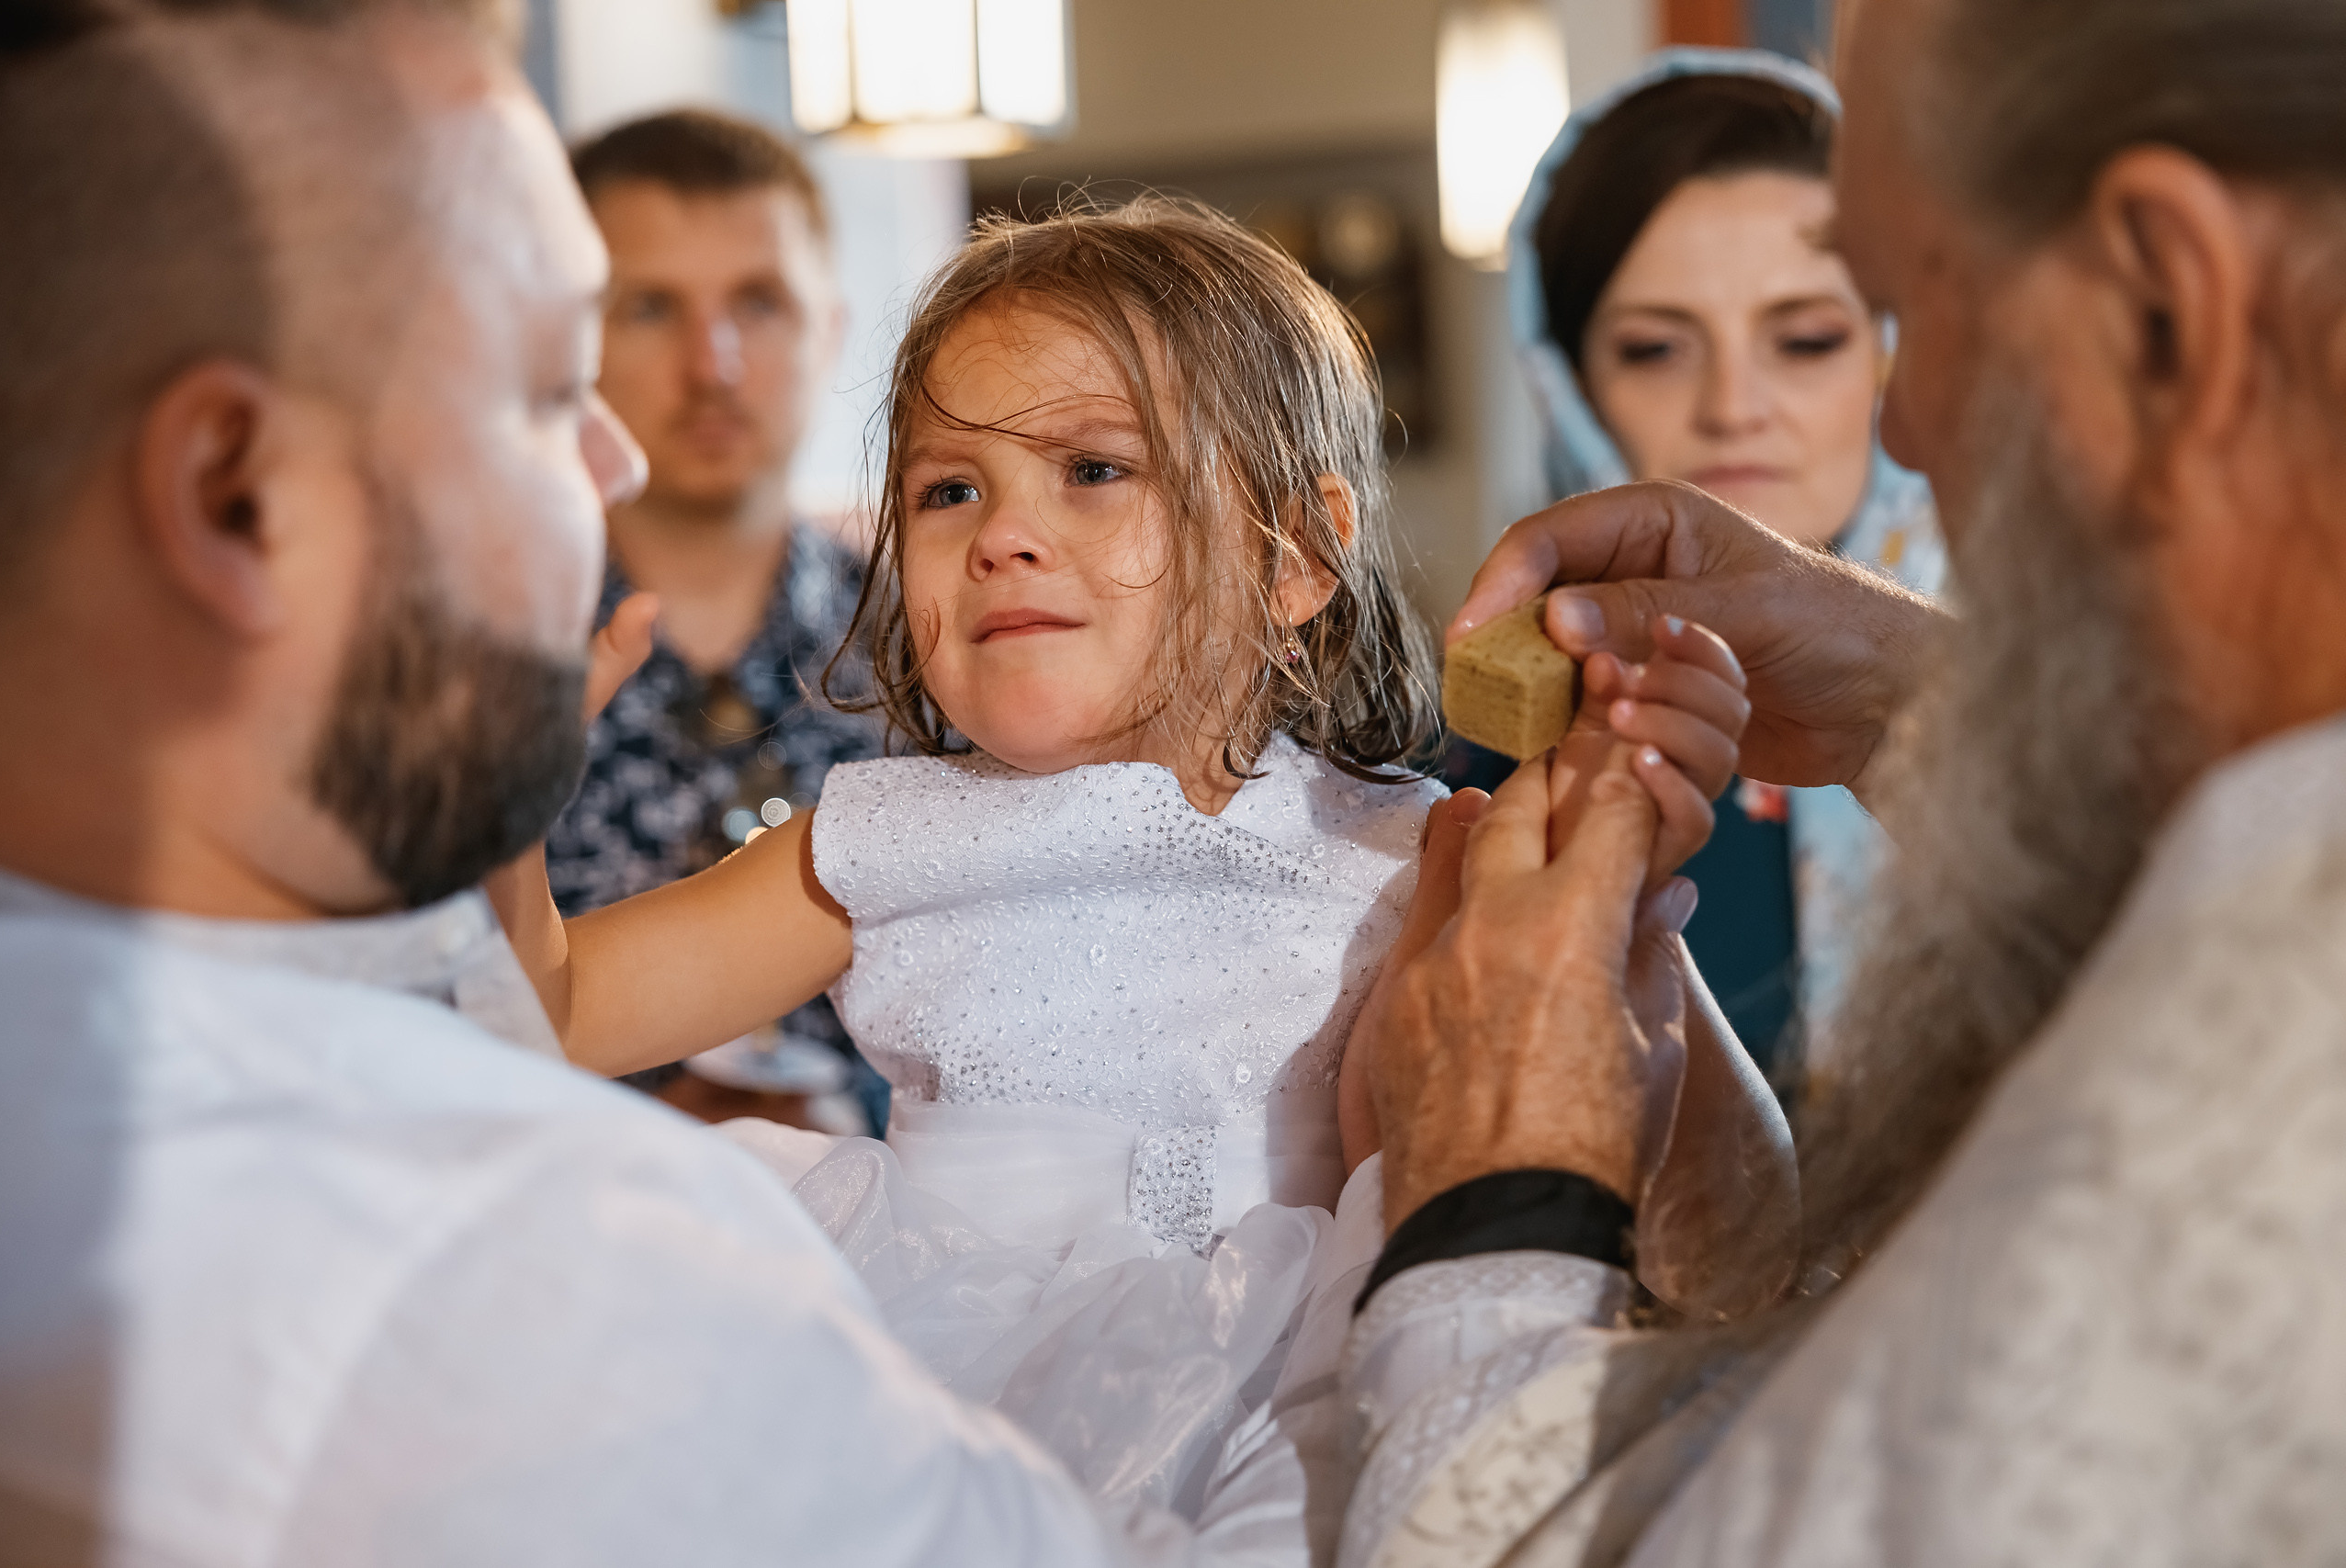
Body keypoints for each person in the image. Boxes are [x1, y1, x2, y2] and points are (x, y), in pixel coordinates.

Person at [484, 194, 1796, 1525]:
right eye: (949, 490)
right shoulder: (880, 842)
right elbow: (549, 1011)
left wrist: (1619, 890)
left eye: (1094, 470)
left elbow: (1735, 1236)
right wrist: (505, 802)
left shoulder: (1415, 853)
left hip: (1304, 1426)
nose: (1001, 535)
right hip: (950, 1417)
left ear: (1297, 556)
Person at [1337, 0, 2346, 1561]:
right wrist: (1908, 700)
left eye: (1899, 312)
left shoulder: (2215, 1128)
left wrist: (1503, 1190)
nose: (1907, 426)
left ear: (2167, 300)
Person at [1492, 48, 1945, 1077]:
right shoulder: (1466, 793)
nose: (1734, 407)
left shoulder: (2076, 723)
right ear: (1567, 384)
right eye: (1655, 348)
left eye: (1807, 339)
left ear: (1897, 351)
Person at [551, 108, 886, 1129]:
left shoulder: (942, 654)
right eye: (650, 307)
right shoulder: (469, 671)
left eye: (760, 302)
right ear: (564, 337)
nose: (714, 364)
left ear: (830, 329)